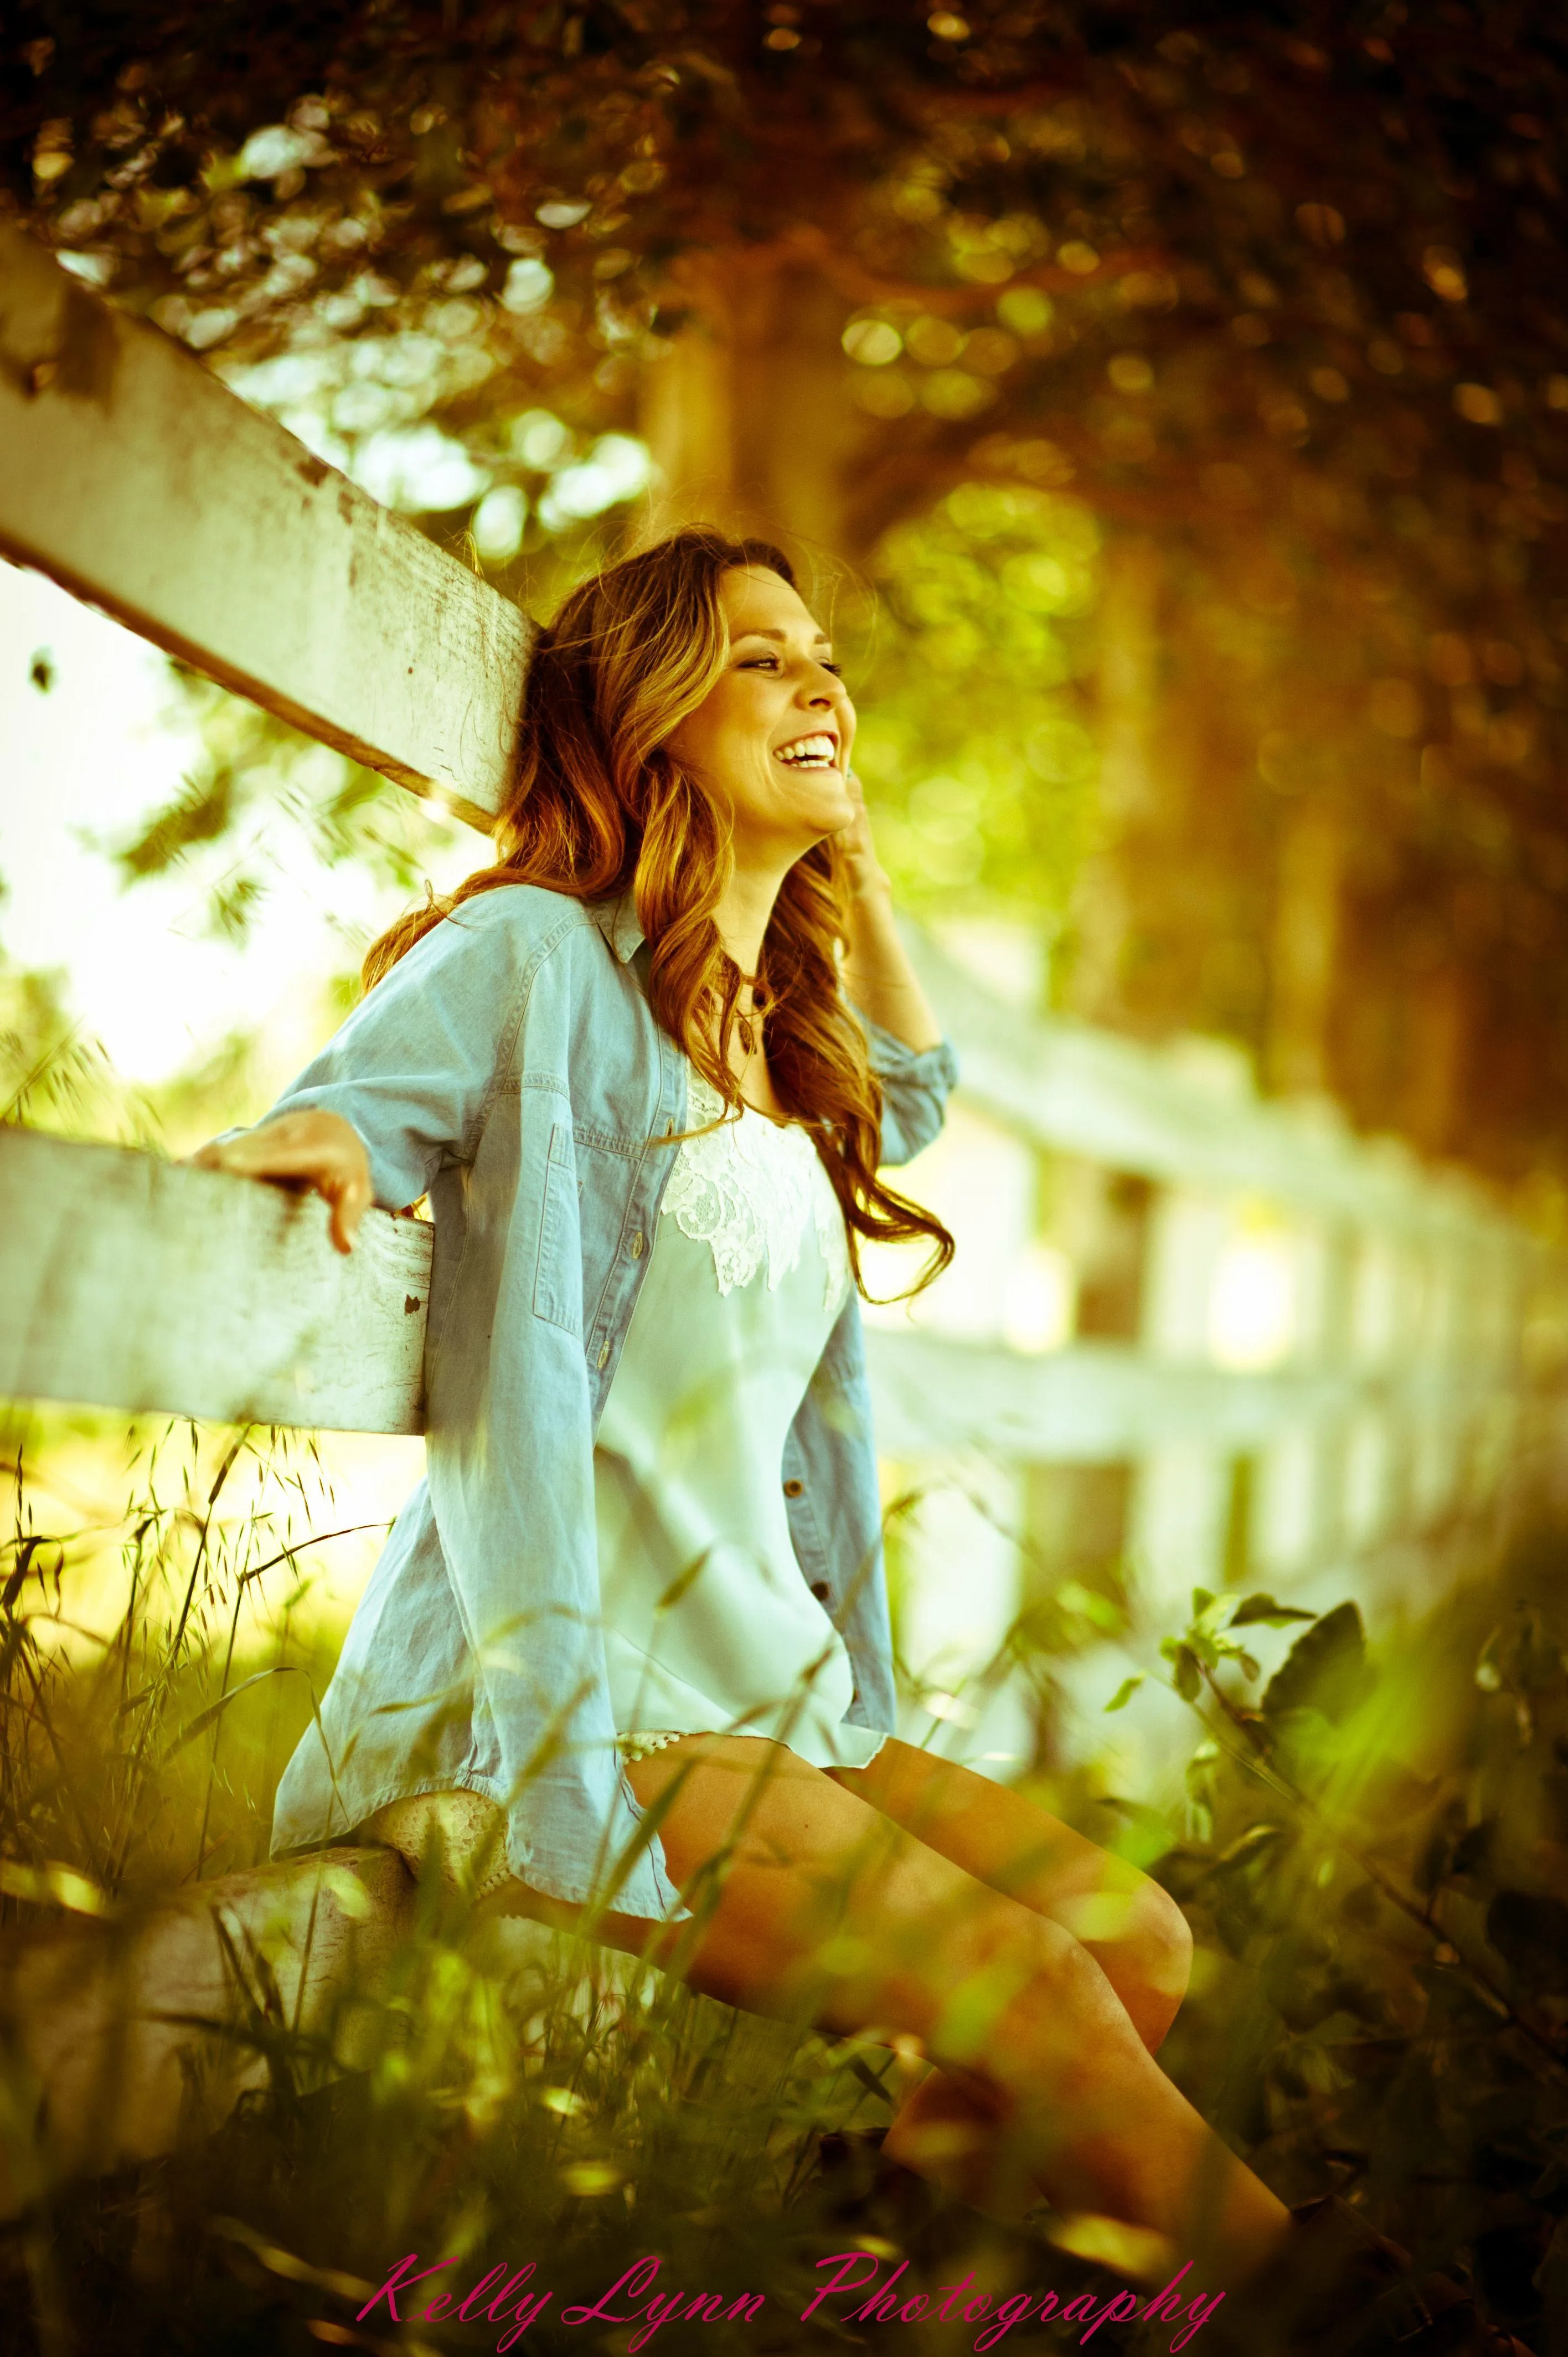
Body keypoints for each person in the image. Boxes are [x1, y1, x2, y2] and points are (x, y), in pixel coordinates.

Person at [195, 526, 1304, 2305]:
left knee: (1133, 1940)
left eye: (822, 654)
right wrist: (319, 1141)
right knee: (1032, 1994)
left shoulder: (779, 1054)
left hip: (775, 1696)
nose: (818, 681)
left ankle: (863, 2272)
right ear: (646, 717)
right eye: (761, 657)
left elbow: (923, 1091)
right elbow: (365, 1099)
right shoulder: (540, 961)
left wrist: (850, 868)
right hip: (578, 1704)